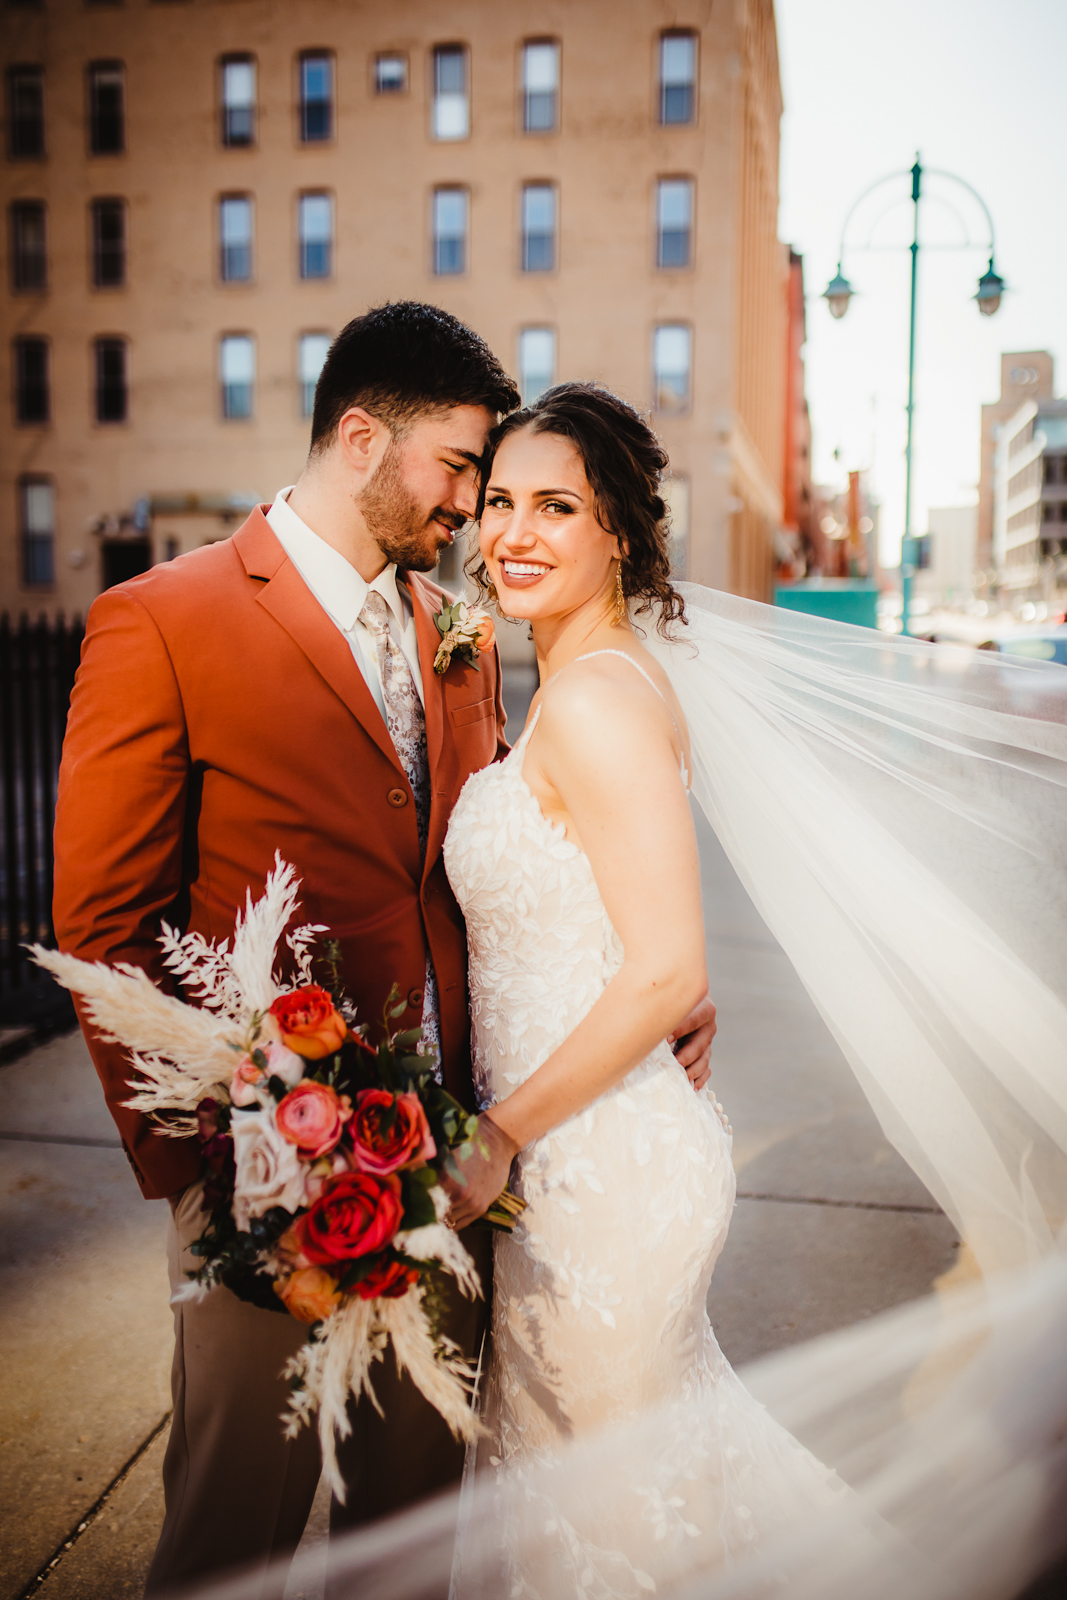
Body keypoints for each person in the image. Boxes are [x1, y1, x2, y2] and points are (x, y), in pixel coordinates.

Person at [51, 305, 717, 1594]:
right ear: (362, 438)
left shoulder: (454, 638)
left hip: (466, 1171)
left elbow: (513, 873)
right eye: (463, 470)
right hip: (266, 1173)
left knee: (410, 1531)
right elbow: (106, 926)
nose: (476, 513)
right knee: (231, 1528)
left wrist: (663, 979)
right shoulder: (163, 619)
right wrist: (215, 1164)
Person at [437, 381, 1067, 1593]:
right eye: (498, 500)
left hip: (589, 1172)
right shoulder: (588, 680)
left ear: (617, 528)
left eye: (553, 506)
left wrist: (498, 1132)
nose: (510, 532)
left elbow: (670, 962)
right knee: (601, 1498)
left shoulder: (594, 698)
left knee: (607, 1521)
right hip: (578, 1152)